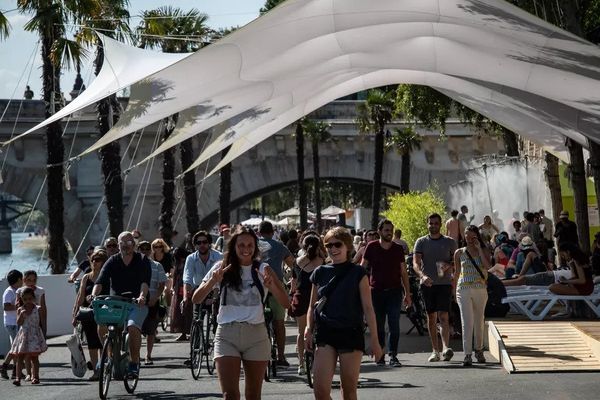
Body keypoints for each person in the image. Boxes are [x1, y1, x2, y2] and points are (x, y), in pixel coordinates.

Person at [191, 226, 290, 400]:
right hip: (226, 335)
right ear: (234, 247)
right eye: (241, 245)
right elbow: (196, 298)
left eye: (250, 245)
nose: (246, 249)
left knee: (253, 395)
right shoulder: (221, 268)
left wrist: (272, 286)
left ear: (255, 247)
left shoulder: (264, 269)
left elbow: (286, 303)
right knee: (230, 395)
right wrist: (212, 281)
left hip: (257, 336)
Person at [305, 227, 383, 400]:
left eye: (337, 244)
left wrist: (375, 341)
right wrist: (309, 329)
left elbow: (368, 308)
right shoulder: (320, 272)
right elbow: (312, 306)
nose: (333, 249)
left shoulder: (358, 273)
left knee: (348, 391)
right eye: (328, 245)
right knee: (320, 391)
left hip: (351, 332)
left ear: (347, 246)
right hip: (325, 332)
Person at [92, 231, 151, 379]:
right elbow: (100, 281)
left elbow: (145, 283)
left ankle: (134, 363)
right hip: (116, 302)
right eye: (122, 243)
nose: (126, 246)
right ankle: (109, 355)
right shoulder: (112, 260)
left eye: (129, 243)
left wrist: (142, 296)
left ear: (134, 244)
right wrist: (93, 295)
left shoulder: (142, 260)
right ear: (118, 245)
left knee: (132, 327)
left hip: (136, 303)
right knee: (101, 322)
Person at [361, 219, 411, 367]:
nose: (389, 233)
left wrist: (408, 293)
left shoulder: (397, 249)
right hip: (375, 292)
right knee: (378, 325)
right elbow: (362, 268)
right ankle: (381, 353)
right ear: (380, 231)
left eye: (391, 230)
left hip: (394, 292)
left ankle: (393, 355)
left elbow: (403, 272)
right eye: (386, 230)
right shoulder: (371, 247)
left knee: (394, 324)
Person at [413, 213, 458, 362]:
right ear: (427, 224)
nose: (433, 226)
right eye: (430, 223)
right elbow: (416, 264)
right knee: (431, 317)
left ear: (440, 224)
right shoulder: (421, 242)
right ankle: (435, 351)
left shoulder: (450, 242)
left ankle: (446, 348)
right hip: (428, 284)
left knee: (444, 316)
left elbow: (457, 262)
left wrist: (448, 266)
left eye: (436, 223)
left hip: (444, 283)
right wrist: (422, 276)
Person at [258, 220, 294, 367]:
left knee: (257, 323)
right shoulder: (280, 246)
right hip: (276, 286)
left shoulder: (253, 246)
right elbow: (292, 263)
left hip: (258, 287)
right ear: (272, 232)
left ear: (259, 232)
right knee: (279, 323)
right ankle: (281, 356)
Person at [453, 225, 490, 367]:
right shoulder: (459, 252)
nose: (468, 239)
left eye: (472, 236)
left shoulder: (484, 250)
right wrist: (453, 290)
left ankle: (479, 350)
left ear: (477, 236)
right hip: (463, 288)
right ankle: (467, 354)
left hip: (480, 288)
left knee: (479, 320)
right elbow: (457, 273)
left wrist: (479, 248)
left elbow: (487, 266)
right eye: (466, 237)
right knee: (466, 321)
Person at [288, 234, 325, 375]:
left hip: (301, 297)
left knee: (300, 331)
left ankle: (301, 363)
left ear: (303, 246)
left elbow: (294, 281)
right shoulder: (322, 261)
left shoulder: (297, 261)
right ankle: (316, 359)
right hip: (317, 299)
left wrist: (292, 293)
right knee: (317, 330)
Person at [71, 249, 109, 380]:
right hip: (89, 313)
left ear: (104, 262)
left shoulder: (108, 276)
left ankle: (105, 367)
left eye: (97, 260)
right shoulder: (86, 277)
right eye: (92, 260)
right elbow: (80, 296)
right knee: (92, 343)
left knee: (103, 341)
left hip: (105, 312)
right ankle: (97, 371)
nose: (94, 262)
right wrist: (75, 313)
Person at [10, 287, 48, 386]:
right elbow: (19, 323)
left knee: (34, 358)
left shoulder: (38, 309)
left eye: (30, 299)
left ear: (34, 298)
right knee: (20, 357)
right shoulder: (20, 309)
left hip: (35, 335)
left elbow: (41, 321)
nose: (28, 301)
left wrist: (43, 332)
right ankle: (18, 378)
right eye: (25, 299)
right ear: (22, 299)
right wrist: (21, 315)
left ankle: (35, 377)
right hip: (24, 335)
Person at [138, 241, 168, 365]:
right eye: (142, 249)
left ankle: (148, 355)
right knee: (135, 330)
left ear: (150, 251)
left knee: (151, 331)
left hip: (152, 300)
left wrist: (155, 297)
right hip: (137, 301)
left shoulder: (157, 266)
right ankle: (135, 355)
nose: (144, 251)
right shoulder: (134, 265)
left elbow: (162, 284)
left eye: (147, 249)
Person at [1, 269, 23, 380]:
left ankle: (16, 371)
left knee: (17, 347)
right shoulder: (9, 292)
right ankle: (4, 366)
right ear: (18, 279)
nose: (23, 281)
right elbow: (6, 306)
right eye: (22, 279)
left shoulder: (17, 291)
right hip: (11, 323)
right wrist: (19, 306)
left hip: (16, 322)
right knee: (16, 347)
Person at [169, 247, 192, 340]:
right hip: (179, 288)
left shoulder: (189, 261)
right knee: (179, 311)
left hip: (187, 287)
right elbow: (175, 275)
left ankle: (189, 332)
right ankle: (183, 332)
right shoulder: (178, 263)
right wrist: (173, 287)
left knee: (188, 311)